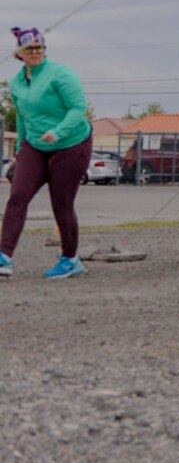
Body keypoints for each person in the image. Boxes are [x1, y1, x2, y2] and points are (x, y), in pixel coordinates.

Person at [0, 27, 94, 280]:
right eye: (29, 48)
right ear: (19, 53)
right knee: (17, 196)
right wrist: (21, 149)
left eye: (39, 47)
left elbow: (78, 109)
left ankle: (70, 259)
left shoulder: (60, 74)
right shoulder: (17, 83)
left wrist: (58, 131)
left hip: (71, 144)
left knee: (61, 204)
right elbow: (21, 117)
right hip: (35, 145)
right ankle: (4, 257)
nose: (34, 52)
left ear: (44, 49)